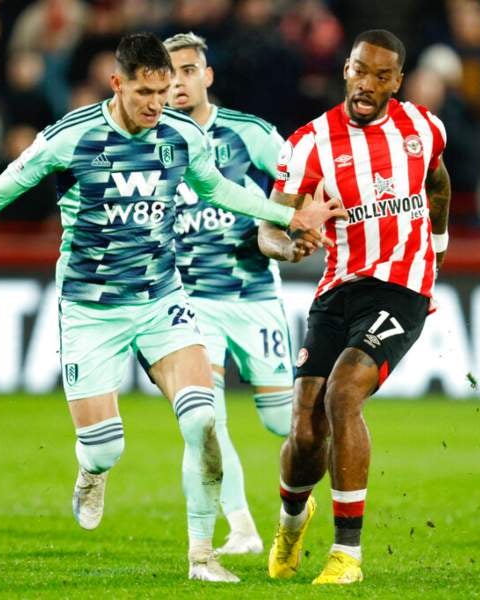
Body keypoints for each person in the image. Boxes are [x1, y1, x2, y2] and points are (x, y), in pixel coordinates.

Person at [0, 33, 342, 583]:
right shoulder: (69, 140)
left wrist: (287, 216)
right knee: (105, 449)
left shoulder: (181, 136)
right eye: (145, 92)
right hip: (91, 312)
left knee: (202, 420)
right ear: (117, 83)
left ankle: (202, 556)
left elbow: (218, 189)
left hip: (162, 301)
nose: (157, 104)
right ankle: (90, 471)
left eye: (164, 90)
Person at [258, 29, 452, 585]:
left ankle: (347, 556)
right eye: (360, 70)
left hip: (402, 287)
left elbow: (438, 182)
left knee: (344, 395)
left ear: (398, 82)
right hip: (338, 287)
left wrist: (435, 253)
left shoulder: (423, 129)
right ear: (345, 69)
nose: (368, 84)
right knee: (305, 427)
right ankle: (292, 522)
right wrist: (289, 244)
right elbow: (269, 227)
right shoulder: (309, 143)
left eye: (381, 75)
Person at [164, 31, 313, 556]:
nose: (178, 83)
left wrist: (295, 229)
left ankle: (306, 493)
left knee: (282, 421)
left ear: (206, 76)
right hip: (190, 303)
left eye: (188, 71)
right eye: (169, 73)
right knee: (203, 419)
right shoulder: (149, 143)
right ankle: (242, 528)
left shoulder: (247, 134)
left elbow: (305, 179)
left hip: (253, 297)